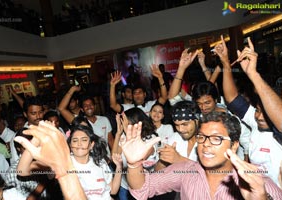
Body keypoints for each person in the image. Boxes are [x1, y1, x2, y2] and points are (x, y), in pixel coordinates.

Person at [120, 112, 282, 199]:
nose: (206, 144)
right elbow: (143, 187)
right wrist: (134, 164)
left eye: (216, 138)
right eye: (202, 137)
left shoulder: (254, 182)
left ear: (234, 144)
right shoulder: (186, 172)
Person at [217, 35, 282, 187]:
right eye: (257, 110)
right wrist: (226, 63)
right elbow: (232, 99)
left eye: (265, 112)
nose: (259, 116)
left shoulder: (278, 133)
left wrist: (253, 74)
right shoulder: (255, 123)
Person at [67, 124, 122, 199]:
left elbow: (113, 190)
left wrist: (119, 167)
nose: (79, 144)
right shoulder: (65, 163)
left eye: (84, 140)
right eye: (75, 140)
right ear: (70, 145)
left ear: (91, 145)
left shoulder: (100, 162)